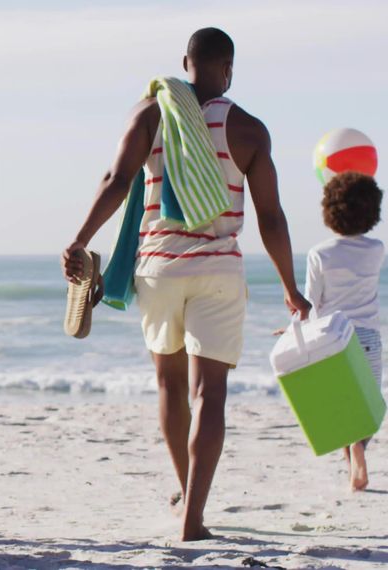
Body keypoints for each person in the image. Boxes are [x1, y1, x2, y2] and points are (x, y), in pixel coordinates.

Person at [60, 28, 311, 540]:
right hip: (219, 271)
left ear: (184, 63)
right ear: (229, 69)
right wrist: (291, 288)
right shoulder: (248, 130)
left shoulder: (151, 112)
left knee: (171, 387)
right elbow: (272, 218)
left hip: (159, 270)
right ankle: (194, 517)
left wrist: (79, 239)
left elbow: (116, 181)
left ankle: (185, 496)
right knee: (210, 394)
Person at [304, 171, 384, 491]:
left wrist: (295, 328)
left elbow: (312, 300)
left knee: (342, 406)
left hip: (330, 338)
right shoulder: (376, 249)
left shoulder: (319, 253)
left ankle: (351, 460)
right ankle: (359, 449)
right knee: (368, 405)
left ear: (329, 211)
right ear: (372, 212)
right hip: (366, 338)